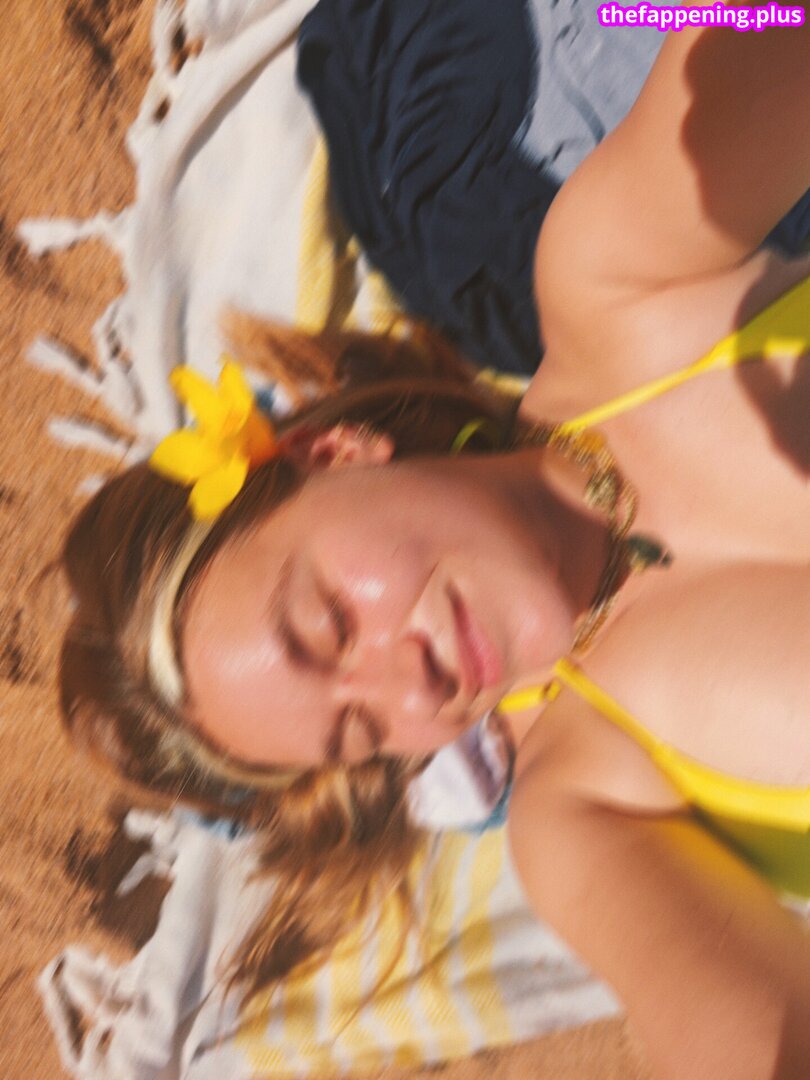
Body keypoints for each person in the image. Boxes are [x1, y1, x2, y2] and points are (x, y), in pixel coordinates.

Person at [59, 12, 810, 1080]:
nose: (410, 686)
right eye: (365, 732)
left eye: (331, 623)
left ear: (335, 452)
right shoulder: (583, 810)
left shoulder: (618, 282)